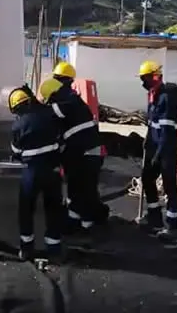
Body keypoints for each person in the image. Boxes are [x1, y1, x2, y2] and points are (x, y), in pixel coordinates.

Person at [47, 62, 109, 231]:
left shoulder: (66, 101)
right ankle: (78, 219)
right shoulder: (71, 98)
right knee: (78, 186)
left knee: (84, 188)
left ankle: (86, 224)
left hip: (88, 152)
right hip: (86, 151)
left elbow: (51, 115)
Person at [8, 84, 65, 261]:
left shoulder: (18, 125)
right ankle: (54, 249)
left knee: (26, 211)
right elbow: (61, 141)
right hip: (53, 171)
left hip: (31, 173)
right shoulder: (49, 115)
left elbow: (15, 152)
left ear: (16, 108)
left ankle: (26, 249)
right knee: (54, 210)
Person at [137, 60, 177, 238]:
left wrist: (159, 153)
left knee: (169, 183)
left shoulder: (166, 97)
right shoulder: (153, 95)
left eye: (145, 78)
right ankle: (154, 217)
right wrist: (148, 141)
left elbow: (167, 130)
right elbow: (152, 123)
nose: (143, 83)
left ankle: (172, 224)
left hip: (167, 148)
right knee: (147, 178)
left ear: (154, 77)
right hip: (154, 146)